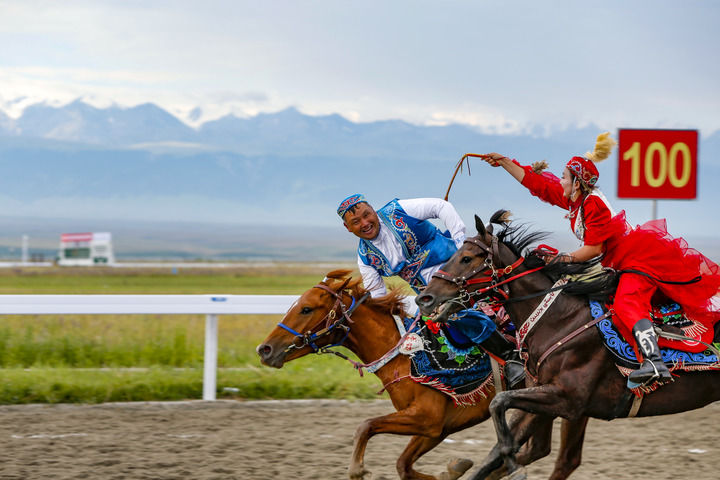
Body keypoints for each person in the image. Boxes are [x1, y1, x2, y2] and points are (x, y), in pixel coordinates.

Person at [480, 132, 720, 387]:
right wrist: (504, 162)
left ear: (577, 183)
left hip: (637, 260)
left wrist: (562, 257)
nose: (560, 181)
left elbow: (594, 248)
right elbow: (539, 184)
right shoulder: (576, 200)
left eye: (564, 177)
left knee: (627, 303)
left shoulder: (593, 204)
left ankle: (654, 362)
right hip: (618, 262)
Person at [338, 194, 526, 387]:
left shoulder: (397, 211)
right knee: (428, 327)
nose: (365, 222)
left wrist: (460, 240)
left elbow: (440, 206)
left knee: (454, 313)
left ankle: (510, 357)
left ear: (372, 209)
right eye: (356, 222)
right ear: (348, 228)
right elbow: (378, 296)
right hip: (432, 296)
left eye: (367, 215)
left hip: (461, 273)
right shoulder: (366, 257)